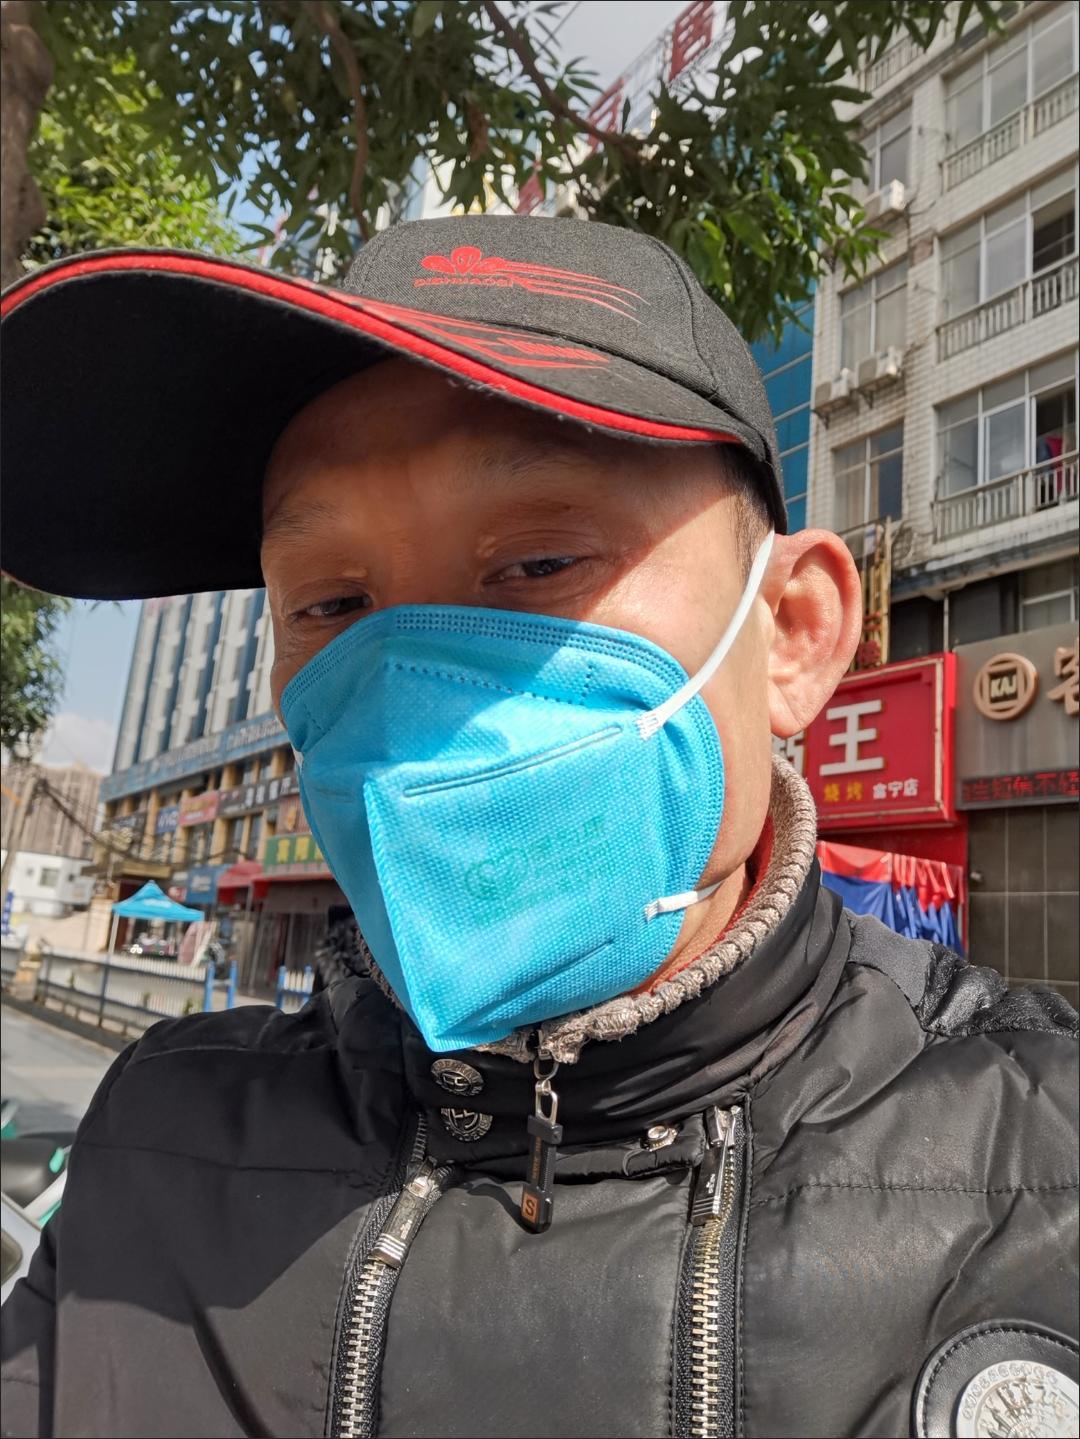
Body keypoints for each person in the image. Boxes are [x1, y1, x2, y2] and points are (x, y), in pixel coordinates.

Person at [1, 216, 1076, 1439]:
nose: (407, 690)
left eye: (539, 562)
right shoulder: (154, 1155)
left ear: (790, 632)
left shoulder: (1045, 1164)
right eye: (333, 602)